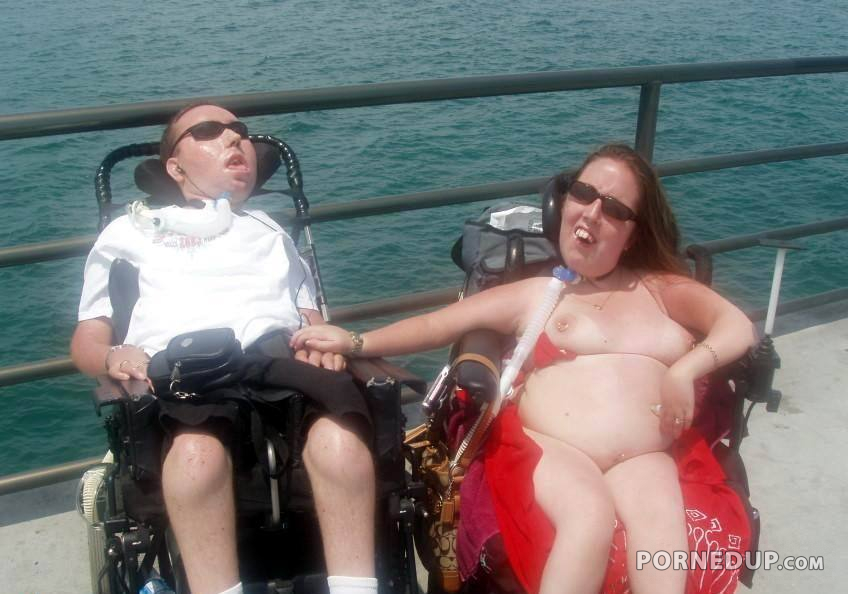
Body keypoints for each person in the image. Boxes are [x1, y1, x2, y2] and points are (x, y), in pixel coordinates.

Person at [291, 144, 758, 594]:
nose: (593, 213)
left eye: (615, 208)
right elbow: (439, 324)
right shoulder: (540, 294)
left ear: (633, 234)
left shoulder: (661, 290)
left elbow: (736, 327)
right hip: (557, 448)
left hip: (644, 456)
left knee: (661, 530)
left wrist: (685, 370)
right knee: (587, 516)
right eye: (583, 193)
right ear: (564, 203)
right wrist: (356, 341)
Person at [70, 103, 378, 594]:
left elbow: (310, 317)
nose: (235, 139)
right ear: (175, 167)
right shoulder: (128, 233)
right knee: (197, 456)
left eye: (241, 131)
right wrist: (112, 357)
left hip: (278, 357)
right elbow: (88, 340)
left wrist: (325, 342)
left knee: (340, 442)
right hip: (186, 367)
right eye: (210, 131)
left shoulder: (269, 229)